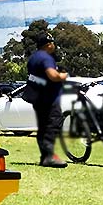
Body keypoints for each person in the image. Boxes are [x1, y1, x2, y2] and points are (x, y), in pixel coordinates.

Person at [26, 33, 68, 168]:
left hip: (38, 97)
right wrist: (62, 75)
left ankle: (45, 156)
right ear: (48, 44)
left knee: (43, 127)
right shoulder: (46, 58)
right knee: (52, 125)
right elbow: (52, 75)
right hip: (49, 98)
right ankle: (49, 157)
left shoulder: (33, 58)